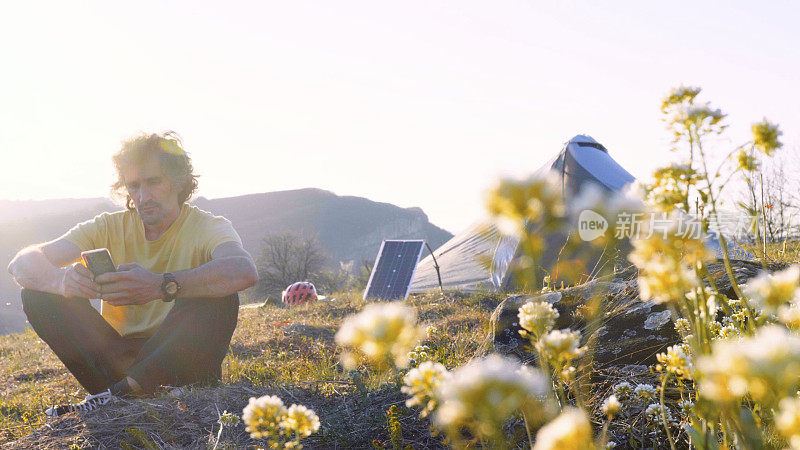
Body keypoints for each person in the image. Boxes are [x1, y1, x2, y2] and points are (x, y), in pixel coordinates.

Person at [7, 132, 258, 417]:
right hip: (117, 365)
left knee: (220, 293)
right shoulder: (107, 227)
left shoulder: (208, 226)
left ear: (178, 182)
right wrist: (61, 282)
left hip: (182, 363)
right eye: (134, 186)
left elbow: (243, 270)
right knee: (39, 295)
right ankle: (124, 392)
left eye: (154, 182)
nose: (143, 196)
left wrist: (162, 286)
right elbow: (21, 264)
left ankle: (122, 396)